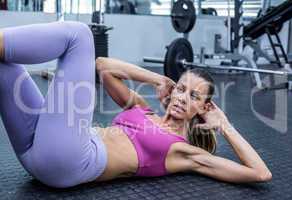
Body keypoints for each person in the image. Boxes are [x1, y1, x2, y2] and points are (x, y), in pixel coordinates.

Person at [0, 21, 272, 189]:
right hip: (33, 154)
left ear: (203, 108)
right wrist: (157, 78)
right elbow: (103, 67)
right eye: (180, 88)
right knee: (5, 66)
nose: (180, 98)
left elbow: (260, 173)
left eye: (193, 96)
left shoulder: (184, 152)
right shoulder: (141, 108)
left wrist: (224, 125)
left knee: (80, 35)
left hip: (69, 162)